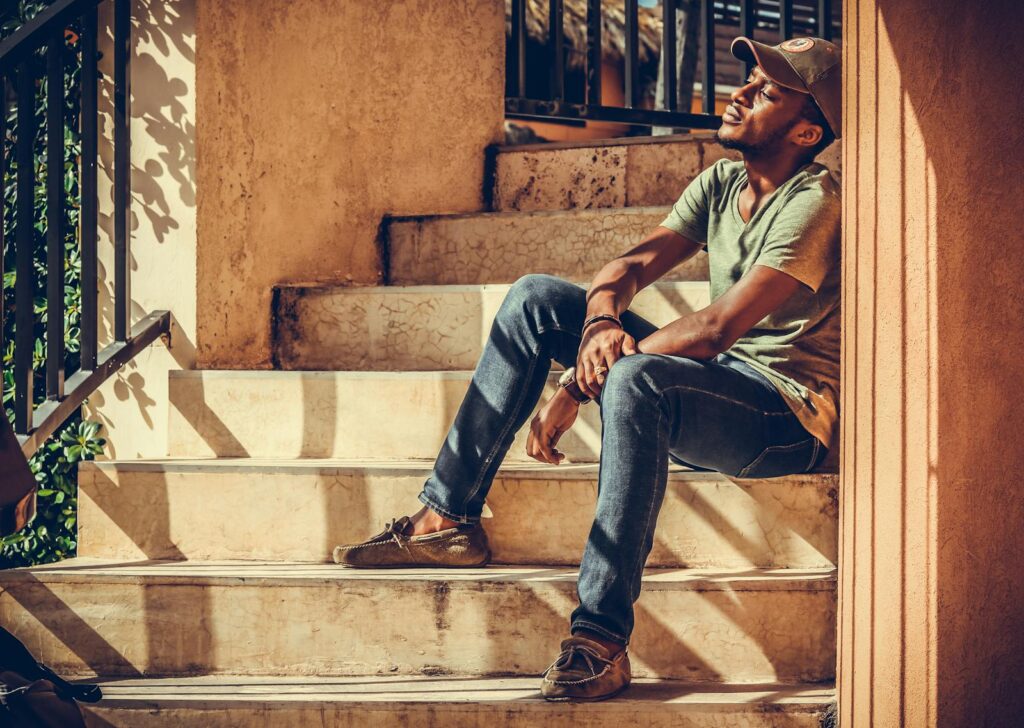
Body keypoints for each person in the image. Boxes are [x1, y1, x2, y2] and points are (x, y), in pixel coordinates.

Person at [333, 34, 842, 702]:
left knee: (635, 376)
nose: (740, 92)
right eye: (747, 77)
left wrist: (576, 384)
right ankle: (445, 518)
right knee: (535, 299)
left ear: (806, 132)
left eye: (767, 91)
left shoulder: (814, 200)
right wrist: (600, 321)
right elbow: (628, 267)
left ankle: (599, 640)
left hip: (784, 420)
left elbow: (717, 328)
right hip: (709, 389)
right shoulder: (723, 183)